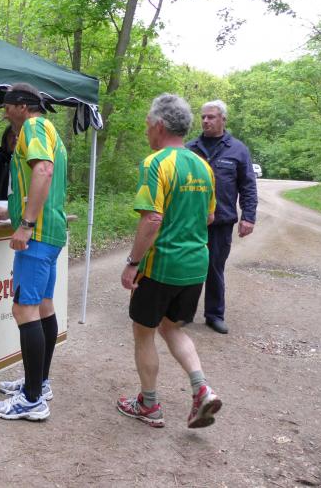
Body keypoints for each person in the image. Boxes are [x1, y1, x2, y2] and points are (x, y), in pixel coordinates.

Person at [117, 93, 222, 429]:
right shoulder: (204, 167)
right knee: (171, 327)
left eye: (148, 124)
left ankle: (148, 404)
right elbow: (209, 217)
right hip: (195, 264)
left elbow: (152, 219)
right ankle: (201, 388)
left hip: (161, 265)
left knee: (144, 332)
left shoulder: (156, 163)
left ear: (160, 125)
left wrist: (132, 262)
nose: (146, 130)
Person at [0, 83, 67, 421]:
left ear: (23, 105)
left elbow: (43, 170)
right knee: (43, 306)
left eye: (7, 106)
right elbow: (41, 178)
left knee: (24, 310)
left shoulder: (33, 127)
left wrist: (26, 224)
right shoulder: (49, 129)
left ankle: (32, 400)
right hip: (50, 231)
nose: (4, 112)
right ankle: (39, 383)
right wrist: (14, 213)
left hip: (38, 235)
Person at [186, 100, 258, 334]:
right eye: (203, 117)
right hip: (190, 222)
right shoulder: (189, 148)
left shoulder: (238, 149)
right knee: (188, 267)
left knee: (215, 268)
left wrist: (248, 216)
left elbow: (248, 185)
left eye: (211, 117)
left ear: (223, 120)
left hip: (221, 221)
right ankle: (183, 312)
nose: (206, 121)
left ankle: (214, 315)